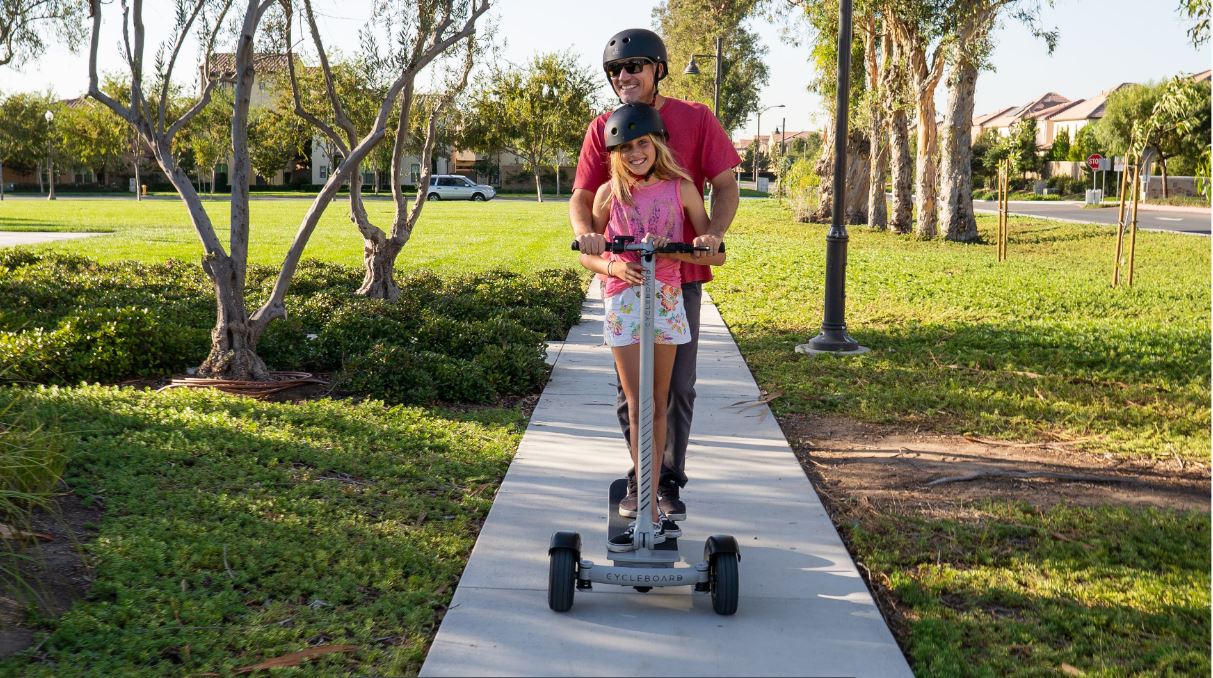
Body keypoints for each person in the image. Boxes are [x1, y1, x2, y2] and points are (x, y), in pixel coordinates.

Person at [571, 28, 741, 522]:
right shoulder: (603, 126)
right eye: (616, 71)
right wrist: (589, 239)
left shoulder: (696, 119)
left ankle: (667, 480)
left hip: (678, 274)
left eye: (635, 67)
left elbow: (726, 187)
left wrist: (712, 236)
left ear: (658, 69)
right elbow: (584, 198)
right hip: (625, 277)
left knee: (677, 388)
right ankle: (639, 475)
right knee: (634, 396)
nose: (624, 76)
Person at [578, 103, 725, 552]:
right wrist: (610, 264)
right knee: (637, 401)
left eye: (643, 144)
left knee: (659, 402)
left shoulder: (681, 189)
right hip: (623, 301)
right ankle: (643, 492)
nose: (636, 153)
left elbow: (712, 254)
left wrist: (679, 249)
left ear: (657, 144)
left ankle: (654, 493)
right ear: (615, 152)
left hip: (665, 299)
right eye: (626, 147)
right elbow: (588, 254)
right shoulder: (607, 194)